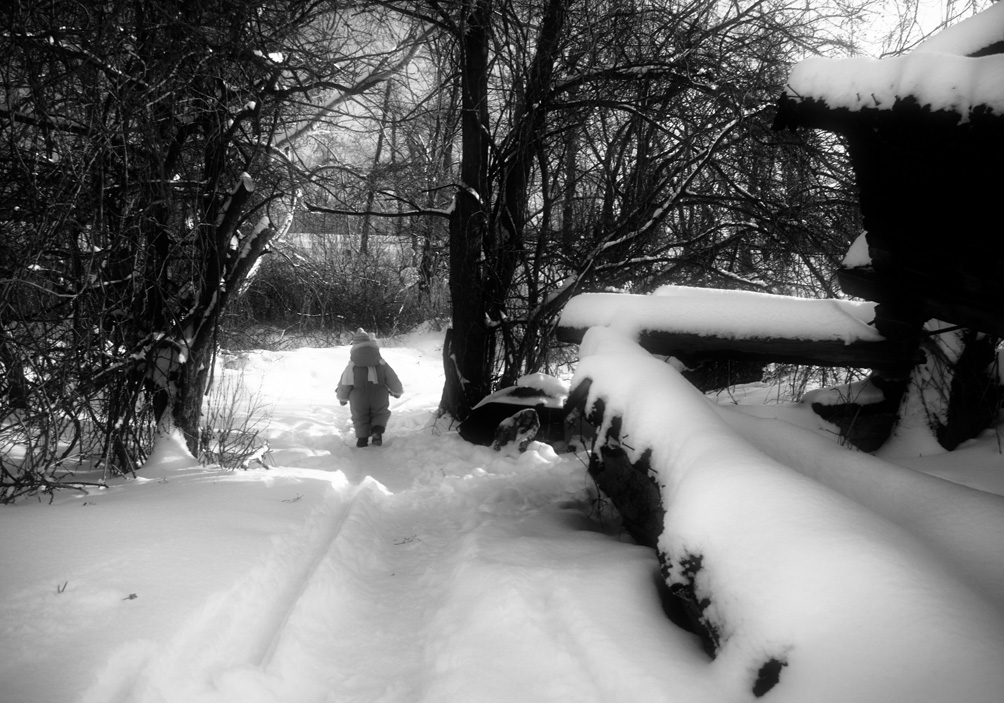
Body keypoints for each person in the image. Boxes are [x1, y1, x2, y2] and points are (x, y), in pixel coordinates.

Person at [336, 329, 403, 447]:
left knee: (360, 416)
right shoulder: (381, 363)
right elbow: (392, 378)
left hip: (358, 397)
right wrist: (396, 391)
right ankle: (377, 431)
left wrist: (342, 397)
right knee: (380, 413)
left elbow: (345, 383)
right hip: (379, 395)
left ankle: (362, 438)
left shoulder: (352, 366)